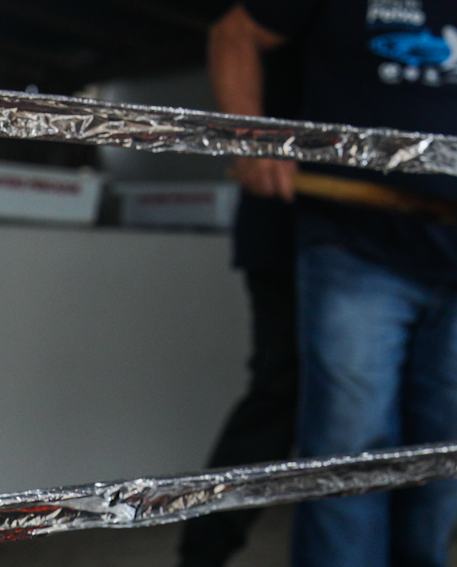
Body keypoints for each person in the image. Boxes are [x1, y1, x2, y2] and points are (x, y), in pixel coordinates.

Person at [212, 0, 457, 567]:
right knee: (350, 445)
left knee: (450, 447)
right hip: (355, 246)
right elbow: (235, 33)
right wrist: (251, 136)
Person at [177, 48, 303, 567]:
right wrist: (255, 144)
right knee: (281, 394)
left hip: (368, 240)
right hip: (290, 233)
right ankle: (204, 551)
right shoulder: (302, 18)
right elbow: (233, 34)